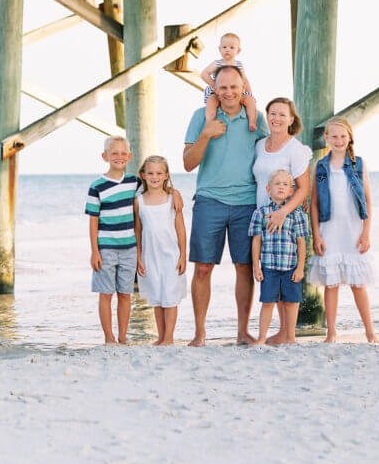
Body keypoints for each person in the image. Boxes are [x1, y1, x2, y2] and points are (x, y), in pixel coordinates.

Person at [183, 64, 267, 346]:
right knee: (203, 268)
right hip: (210, 200)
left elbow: (272, 156)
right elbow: (188, 163)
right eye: (223, 88)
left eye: (234, 87)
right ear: (214, 90)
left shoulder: (257, 119)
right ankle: (200, 333)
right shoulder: (201, 116)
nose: (229, 93)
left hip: (247, 203)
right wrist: (206, 134)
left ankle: (243, 331)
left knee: (244, 267)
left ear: (243, 88)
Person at [307, 116, 379, 344]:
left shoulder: (359, 163)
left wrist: (366, 231)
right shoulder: (320, 166)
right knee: (331, 284)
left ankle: (370, 333)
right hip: (329, 229)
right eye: (334, 136)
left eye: (343, 136)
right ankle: (331, 333)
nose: (338, 140)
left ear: (349, 138)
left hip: (353, 229)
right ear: (326, 138)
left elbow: (367, 199)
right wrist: (316, 234)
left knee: (358, 283)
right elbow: (315, 203)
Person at [251, 96, 312, 343]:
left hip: (284, 218)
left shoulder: (295, 149)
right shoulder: (259, 145)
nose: (276, 118)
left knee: (288, 281)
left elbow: (304, 188)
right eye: (272, 113)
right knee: (271, 276)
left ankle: (288, 334)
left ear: (291, 120)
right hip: (264, 218)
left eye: (282, 115)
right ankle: (281, 333)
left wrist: (283, 212)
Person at [84, 136, 143, 345]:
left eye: (123, 153)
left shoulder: (134, 183)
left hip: (129, 247)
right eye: (114, 153)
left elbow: (155, 191)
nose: (119, 157)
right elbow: (93, 221)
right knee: (106, 294)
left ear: (129, 156)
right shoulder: (97, 187)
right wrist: (95, 251)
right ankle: (109, 337)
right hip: (106, 248)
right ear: (105, 156)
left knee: (126, 294)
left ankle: (123, 336)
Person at [250, 169, 308, 345]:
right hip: (269, 267)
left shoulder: (297, 214)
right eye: (277, 184)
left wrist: (300, 268)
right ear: (268, 189)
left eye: (285, 185)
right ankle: (261, 338)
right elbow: (256, 241)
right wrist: (256, 266)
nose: (281, 187)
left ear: (291, 191)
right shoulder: (260, 213)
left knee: (292, 302)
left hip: (290, 266)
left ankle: (290, 338)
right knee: (267, 302)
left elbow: (301, 243)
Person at [134, 155, 187, 346]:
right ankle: (161, 337)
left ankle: (169, 338)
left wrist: (183, 255)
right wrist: (138, 256)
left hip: (171, 255)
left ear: (166, 175)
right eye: (150, 173)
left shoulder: (173, 198)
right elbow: (138, 230)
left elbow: (180, 228)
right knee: (157, 297)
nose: (154, 177)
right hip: (150, 256)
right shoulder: (138, 200)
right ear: (143, 175)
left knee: (170, 296)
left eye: (158, 173)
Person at [200, 32, 258, 132]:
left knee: (250, 100)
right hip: (218, 92)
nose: (227, 50)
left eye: (231, 48)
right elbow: (204, 74)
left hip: (236, 92)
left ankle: (252, 122)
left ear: (238, 50)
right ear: (219, 49)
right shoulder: (217, 63)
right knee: (211, 101)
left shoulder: (239, 65)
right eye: (224, 47)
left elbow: (245, 80)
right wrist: (214, 85)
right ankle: (209, 122)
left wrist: (249, 93)